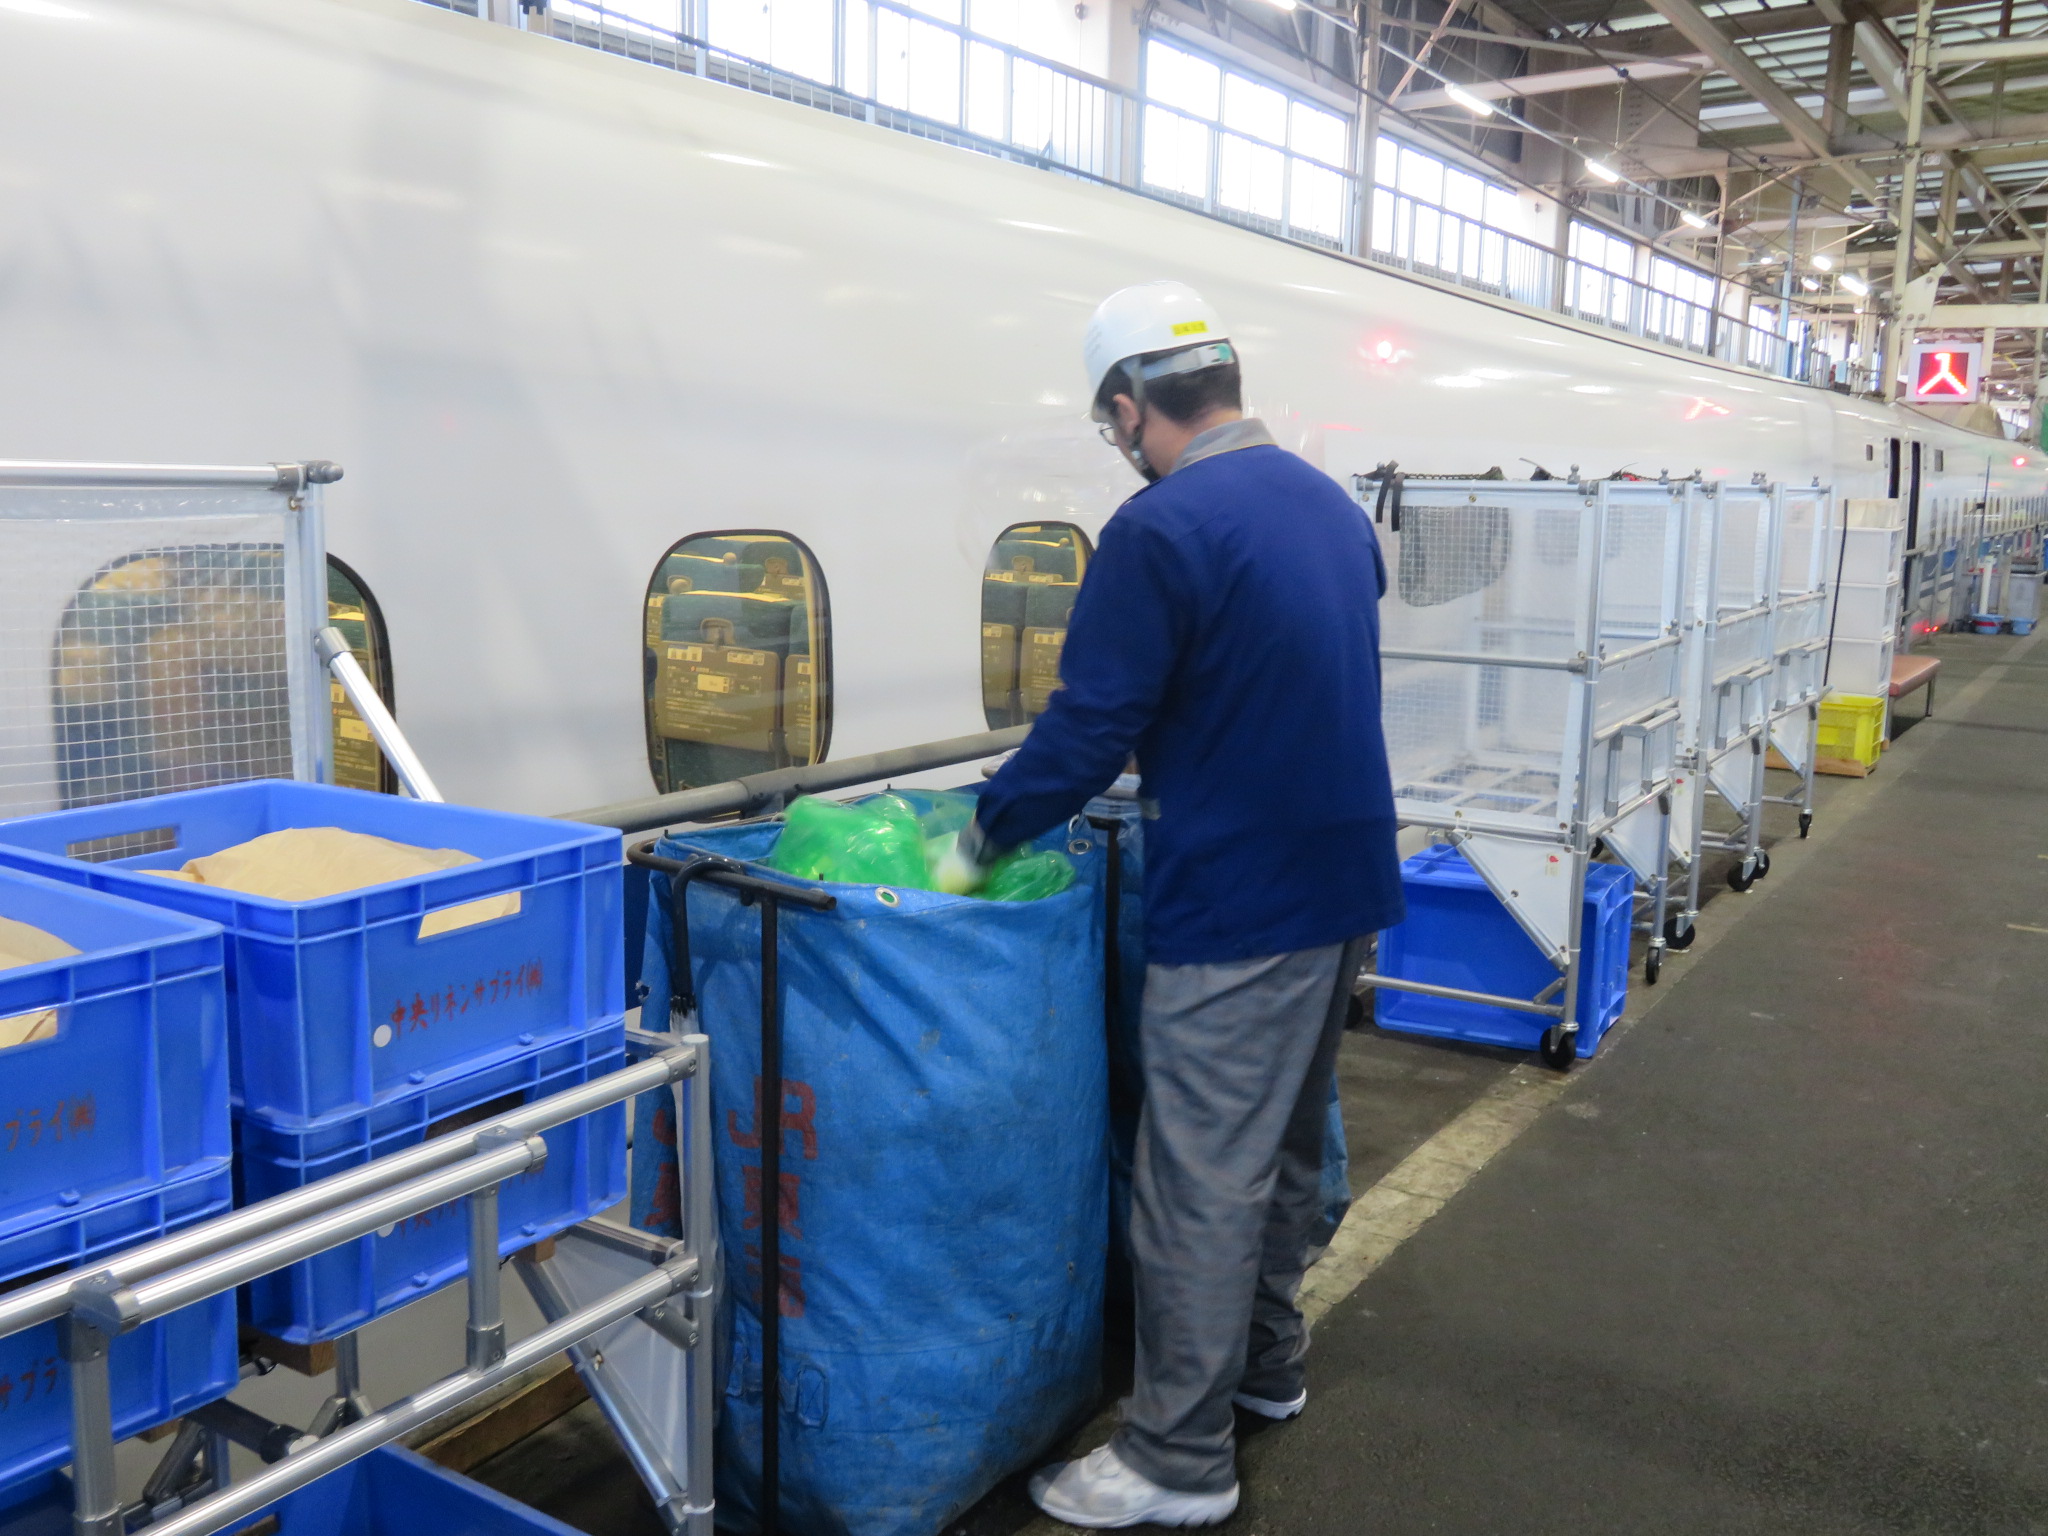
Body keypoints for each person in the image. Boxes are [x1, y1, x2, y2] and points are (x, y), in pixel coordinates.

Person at [940, 279, 1404, 1525]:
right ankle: (1264, 1373)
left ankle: (1173, 1461)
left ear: (1128, 404)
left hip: (1240, 895)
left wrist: (980, 836)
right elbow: (1272, 677)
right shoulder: (1328, 505)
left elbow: (1091, 725)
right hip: (1343, 876)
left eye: (1114, 423)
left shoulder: (1160, 528)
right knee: (1283, 1150)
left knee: (1196, 1177)